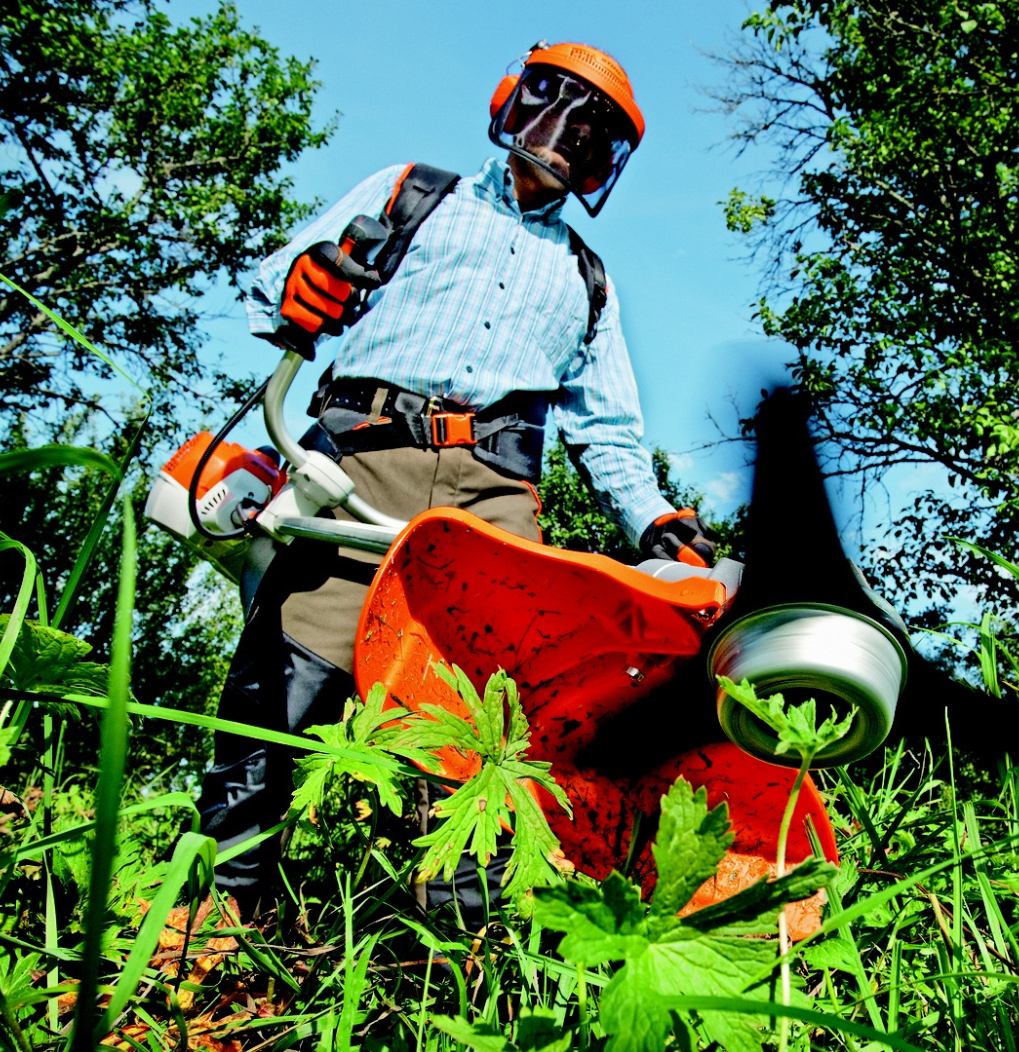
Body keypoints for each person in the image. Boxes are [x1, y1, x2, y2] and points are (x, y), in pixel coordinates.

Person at [197, 41, 718, 917]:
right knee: (281, 689)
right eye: (552, 104)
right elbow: (274, 283)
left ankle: (456, 945)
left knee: (492, 726)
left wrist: (653, 520)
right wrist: (304, 282)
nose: (565, 135)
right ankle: (219, 916)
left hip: (493, 497)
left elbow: (608, 433)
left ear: (606, 162)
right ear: (513, 100)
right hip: (363, 458)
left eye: (592, 131)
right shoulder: (414, 193)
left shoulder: (588, 281)